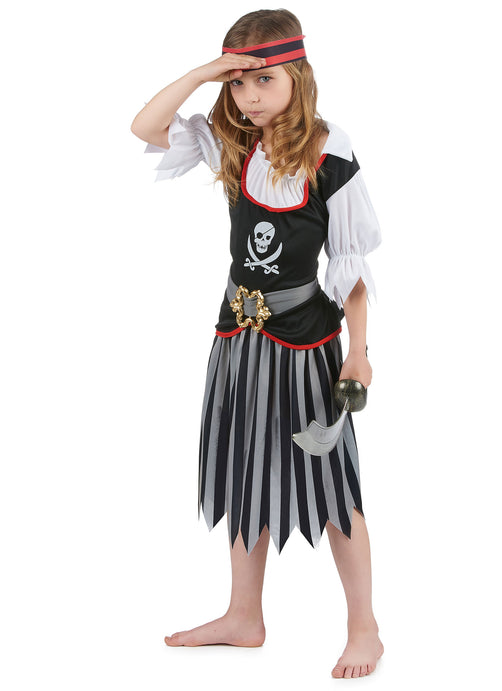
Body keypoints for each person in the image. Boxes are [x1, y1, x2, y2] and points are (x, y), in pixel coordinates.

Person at [131, 8, 384, 679]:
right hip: (236, 338)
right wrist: (206, 73)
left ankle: (365, 626)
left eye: (262, 79)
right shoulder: (232, 142)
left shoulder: (331, 152)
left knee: (331, 482)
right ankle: (244, 615)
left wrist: (359, 351)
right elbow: (145, 127)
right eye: (237, 83)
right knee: (243, 467)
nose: (247, 95)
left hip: (304, 343)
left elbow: (351, 266)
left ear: (297, 75)